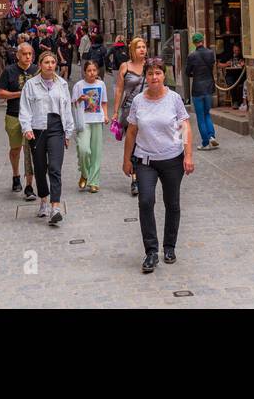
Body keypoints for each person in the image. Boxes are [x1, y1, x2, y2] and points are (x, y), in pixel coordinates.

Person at [122, 57, 194, 273]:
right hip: (146, 160)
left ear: (164, 76)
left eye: (158, 73)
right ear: (146, 76)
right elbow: (132, 131)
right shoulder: (138, 101)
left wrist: (188, 155)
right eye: (150, 73)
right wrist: (127, 159)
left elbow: (185, 127)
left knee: (172, 203)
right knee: (145, 201)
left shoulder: (173, 99)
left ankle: (169, 246)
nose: (154, 77)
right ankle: (151, 251)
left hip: (172, 159)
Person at [19, 50, 75, 225]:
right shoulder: (31, 85)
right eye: (46, 62)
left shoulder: (62, 84)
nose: (50, 65)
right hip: (38, 129)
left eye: (52, 62)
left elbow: (67, 109)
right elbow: (25, 107)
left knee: (55, 168)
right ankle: (43, 200)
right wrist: (26, 128)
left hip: (56, 128)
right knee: (40, 168)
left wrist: (68, 132)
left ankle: (55, 207)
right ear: (40, 65)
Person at [0, 42, 39, 200]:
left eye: (30, 54)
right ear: (18, 55)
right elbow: (0, 93)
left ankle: (29, 185)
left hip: (34, 118)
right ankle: (16, 175)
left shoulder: (37, 70)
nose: (28, 57)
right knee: (16, 149)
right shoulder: (9, 71)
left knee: (31, 151)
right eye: (25, 54)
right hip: (14, 115)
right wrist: (19, 94)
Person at [113, 37, 149, 196]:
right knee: (133, 144)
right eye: (138, 47)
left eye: (144, 47)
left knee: (145, 144)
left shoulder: (151, 65)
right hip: (130, 111)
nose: (142, 49)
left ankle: (146, 174)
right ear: (132, 50)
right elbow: (119, 90)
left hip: (149, 112)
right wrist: (115, 112)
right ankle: (135, 179)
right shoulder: (125, 67)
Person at [72, 59, 108, 192]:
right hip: (83, 121)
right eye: (89, 71)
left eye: (94, 70)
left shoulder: (101, 84)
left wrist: (105, 115)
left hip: (97, 120)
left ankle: (94, 181)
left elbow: (104, 102)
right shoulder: (78, 86)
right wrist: (80, 99)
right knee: (84, 150)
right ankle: (84, 173)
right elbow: (73, 104)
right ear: (84, 72)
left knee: (96, 152)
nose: (92, 73)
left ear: (97, 71)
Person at [186, 32, 218, 149]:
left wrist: (193, 72)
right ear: (203, 41)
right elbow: (211, 67)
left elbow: (187, 72)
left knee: (200, 116)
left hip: (197, 89)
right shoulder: (210, 53)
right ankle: (212, 136)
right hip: (209, 87)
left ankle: (205, 143)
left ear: (194, 43)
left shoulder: (192, 56)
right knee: (207, 113)